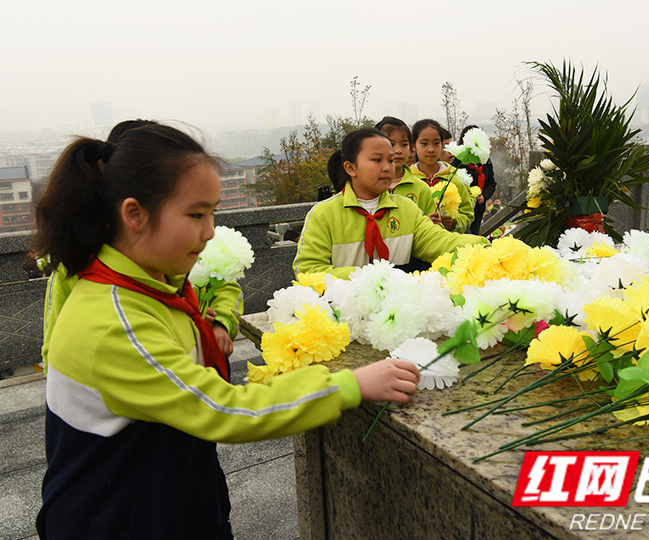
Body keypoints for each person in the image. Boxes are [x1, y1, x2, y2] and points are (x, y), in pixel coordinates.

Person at [34, 123, 420, 539]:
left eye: (213, 212)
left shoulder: (149, 284)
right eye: (196, 214)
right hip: (118, 519)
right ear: (134, 214)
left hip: (167, 495)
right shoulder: (114, 321)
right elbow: (225, 410)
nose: (210, 231)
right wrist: (349, 386)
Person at [40, 119, 242, 367]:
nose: (209, 232)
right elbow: (57, 345)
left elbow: (223, 288)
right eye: (196, 214)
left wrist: (204, 320)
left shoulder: (165, 256)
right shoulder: (88, 269)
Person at [293, 128, 486, 279]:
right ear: (350, 168)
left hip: (395, 314)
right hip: (342, 318)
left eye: (391, 160)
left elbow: (438, 241)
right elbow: (308, 271)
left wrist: (483, 246)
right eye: (377, 160)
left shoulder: (406, 209)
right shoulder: (324, 214)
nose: (387, 168)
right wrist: (367, 278)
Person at [408, 119, 474, 233]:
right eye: (424, 143)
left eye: (436, 143)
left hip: (449, 246)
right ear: (413, 146)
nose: (431, 149)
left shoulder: (454, 177)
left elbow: (468, 215)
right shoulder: (407, 180)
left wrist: (454, 223)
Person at [374, 116, 439, 224]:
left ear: (411, 147)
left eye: (404, 144)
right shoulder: (368, 188)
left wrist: (428, 225)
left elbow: (436, 229)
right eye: (391, 144)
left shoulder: (421, 188)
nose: (398, 151)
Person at [452, 125, 496, 235]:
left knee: (475, 240)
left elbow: (492, 183)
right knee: (468, 239)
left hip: (478, 211)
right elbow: (452, 182)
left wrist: (484, 196)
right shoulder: (459, 160)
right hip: (462, 211)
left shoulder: (485, 161)